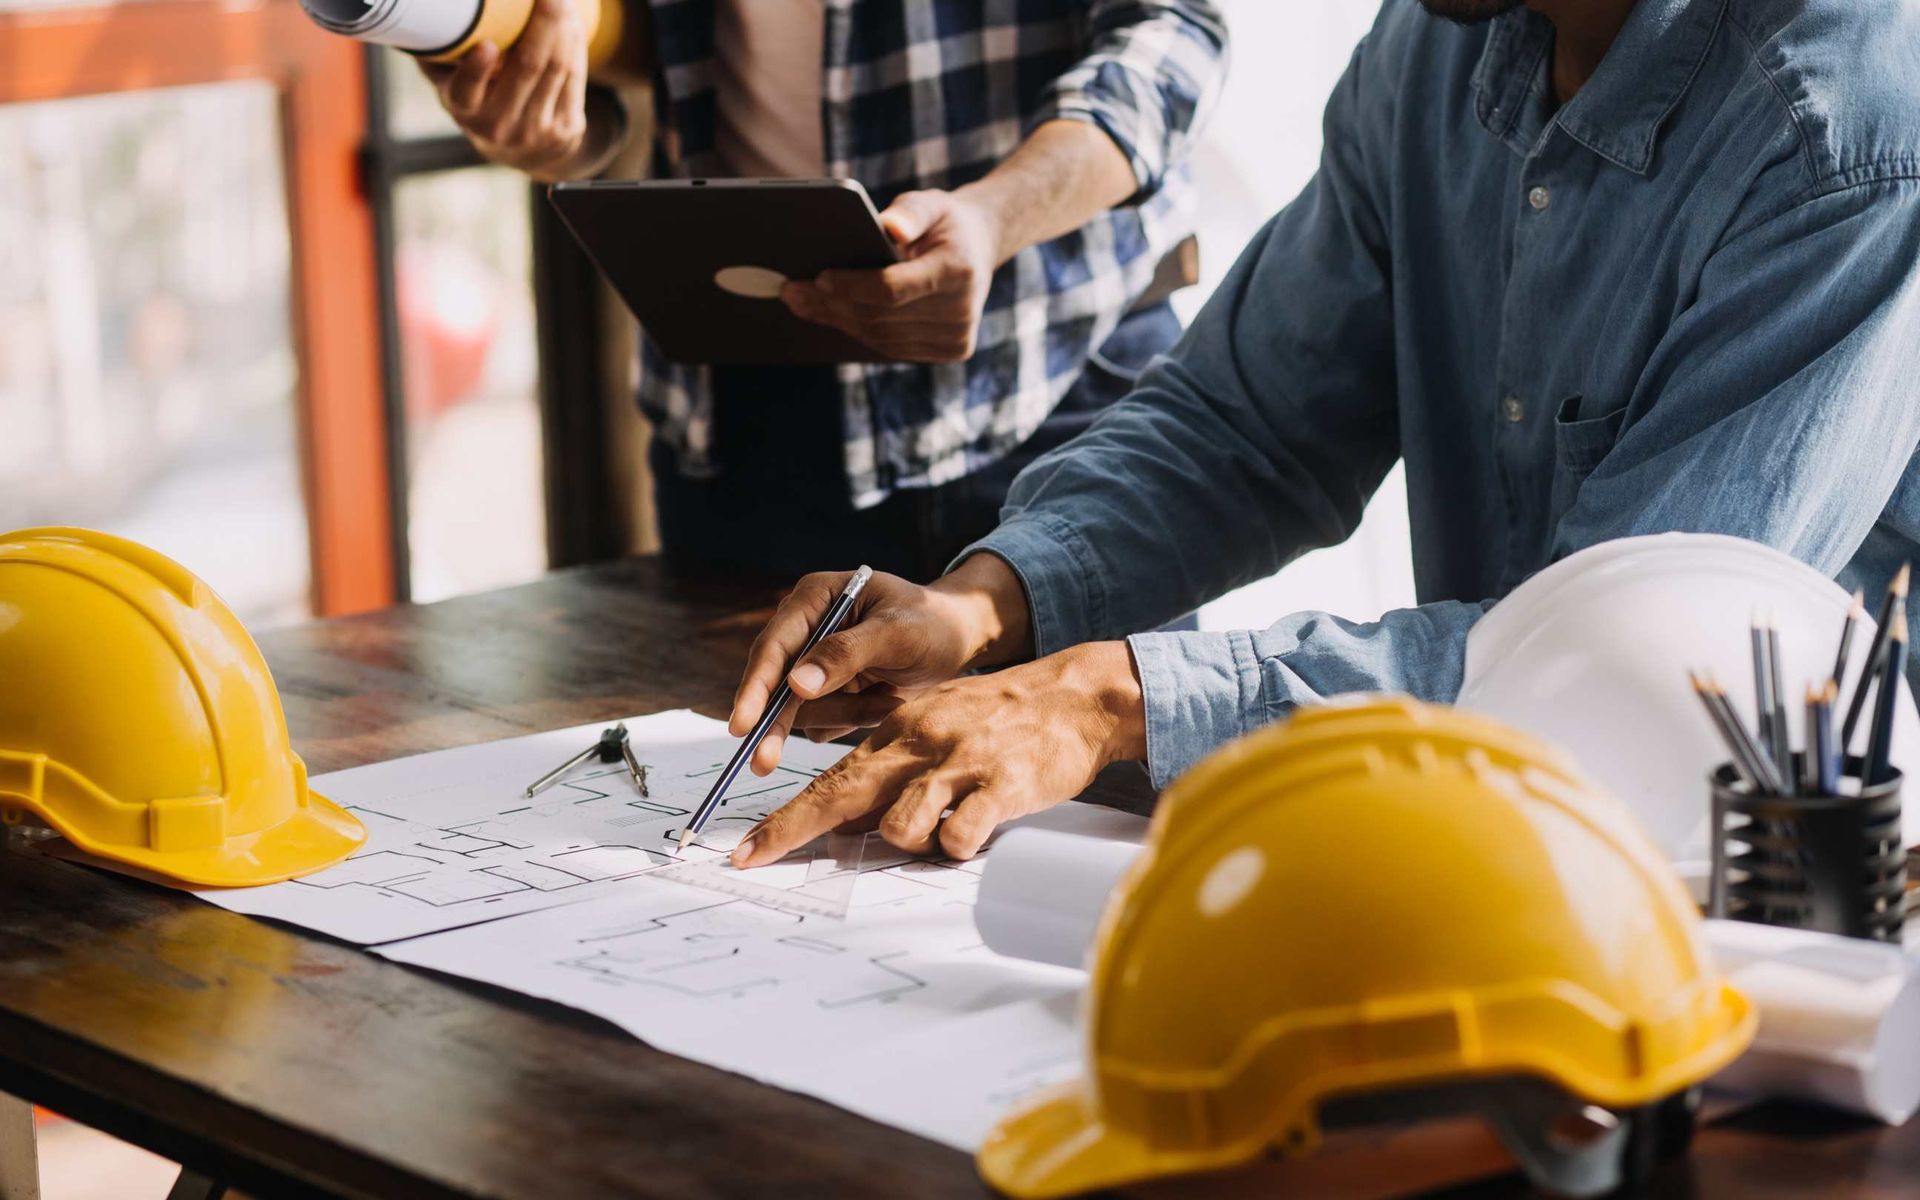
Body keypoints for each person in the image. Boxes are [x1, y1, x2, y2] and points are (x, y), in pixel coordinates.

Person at [722, 0, 1920, 868]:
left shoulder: (1856, 130)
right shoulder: (1435, 42)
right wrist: (984, 604)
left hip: (1802, 907)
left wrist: (1108, 696)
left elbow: (1620, 660)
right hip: (1504, 854)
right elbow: (1248, 424)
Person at [422, 0, 1228, 582]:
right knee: (730, 805)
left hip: (1054, 391)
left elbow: (1171, 36)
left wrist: (994, 216)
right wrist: (547, 114)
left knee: (1107, 809)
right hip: (747, 421)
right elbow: (646, 61)